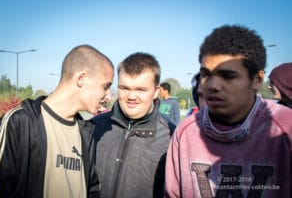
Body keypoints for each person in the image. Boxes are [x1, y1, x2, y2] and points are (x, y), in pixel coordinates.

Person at [165, 25, 292, 197]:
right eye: (206, 74)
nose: (212, 86)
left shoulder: (286, 129)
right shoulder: (186, 132)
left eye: (227, 75)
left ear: (257, 79)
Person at [0, 44, 114, 198]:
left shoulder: (86, 131)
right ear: (82, 79)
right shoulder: (20, 122)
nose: (109, 96)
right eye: (106, 86)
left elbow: (92, 190)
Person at [91, 52, 175, 198]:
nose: (131, 97)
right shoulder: (93, 127)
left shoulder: (172, 137)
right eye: (124, 88)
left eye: (141, 90)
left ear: (156, 91)